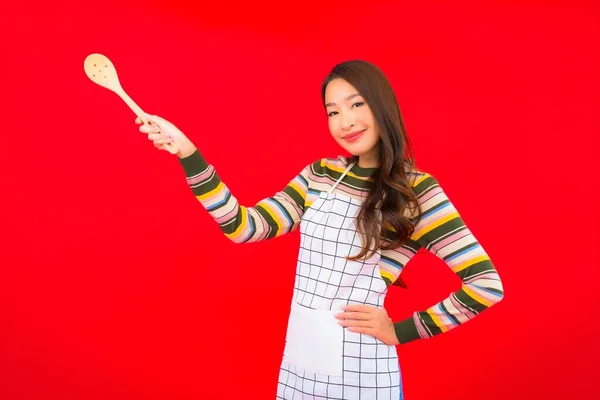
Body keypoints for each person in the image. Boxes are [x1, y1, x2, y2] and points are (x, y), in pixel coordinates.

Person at [135, 60, 504, 399]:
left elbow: (486, 286)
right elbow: (244, 226)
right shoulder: (320, 174)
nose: (346, 121)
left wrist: (401, 330)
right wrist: (188, 153)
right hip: (300, 362)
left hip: (362, 371)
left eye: (357, 104)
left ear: (382, 105)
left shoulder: (415, 191)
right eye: (333, 111)